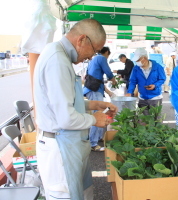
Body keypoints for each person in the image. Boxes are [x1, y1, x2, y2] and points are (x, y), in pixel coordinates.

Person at [33, 19, 118, 200]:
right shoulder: (57, 61)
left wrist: (93, 105)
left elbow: (65, 103)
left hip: (70, 144)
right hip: (60, 147)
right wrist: (95, 119)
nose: (91, 57)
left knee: (82, 193)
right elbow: (65, 118)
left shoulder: (60, 55)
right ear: (82, 40)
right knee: (68, 195)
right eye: (94, 50)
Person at [83, 46, 117, 151]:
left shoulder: (93, 60)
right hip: (94, 90)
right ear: (106, 52)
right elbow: (108, 72)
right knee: (98, 116)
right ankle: (93, 143)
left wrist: (109, 92)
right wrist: (113, 80)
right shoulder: (101, 58)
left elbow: (96, 79)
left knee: (101, 113)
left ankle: (97, 138)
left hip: (91, 90)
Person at [125, 48, 166, 115]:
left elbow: (162, 79)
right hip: (142, 98)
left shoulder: (157, 67)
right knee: (143, 120)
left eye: (138, 60)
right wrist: (130, 92)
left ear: (144, 58)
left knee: (155, 120)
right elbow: (132, 81)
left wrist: (155, 85)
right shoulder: (136, 69)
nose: (137, 62)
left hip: (155, 98)